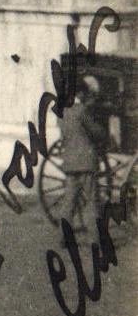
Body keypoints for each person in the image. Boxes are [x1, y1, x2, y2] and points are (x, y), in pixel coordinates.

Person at [58, 75, 108, 242]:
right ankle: (95, 240)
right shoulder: (82, 111)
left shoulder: (62, 113)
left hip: (70, 163)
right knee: (91, 202)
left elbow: (65, 137)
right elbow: (97, 133)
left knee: (69, 202)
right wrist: (104, 134)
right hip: (86, 163)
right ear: (80, 93)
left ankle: (63, 237)